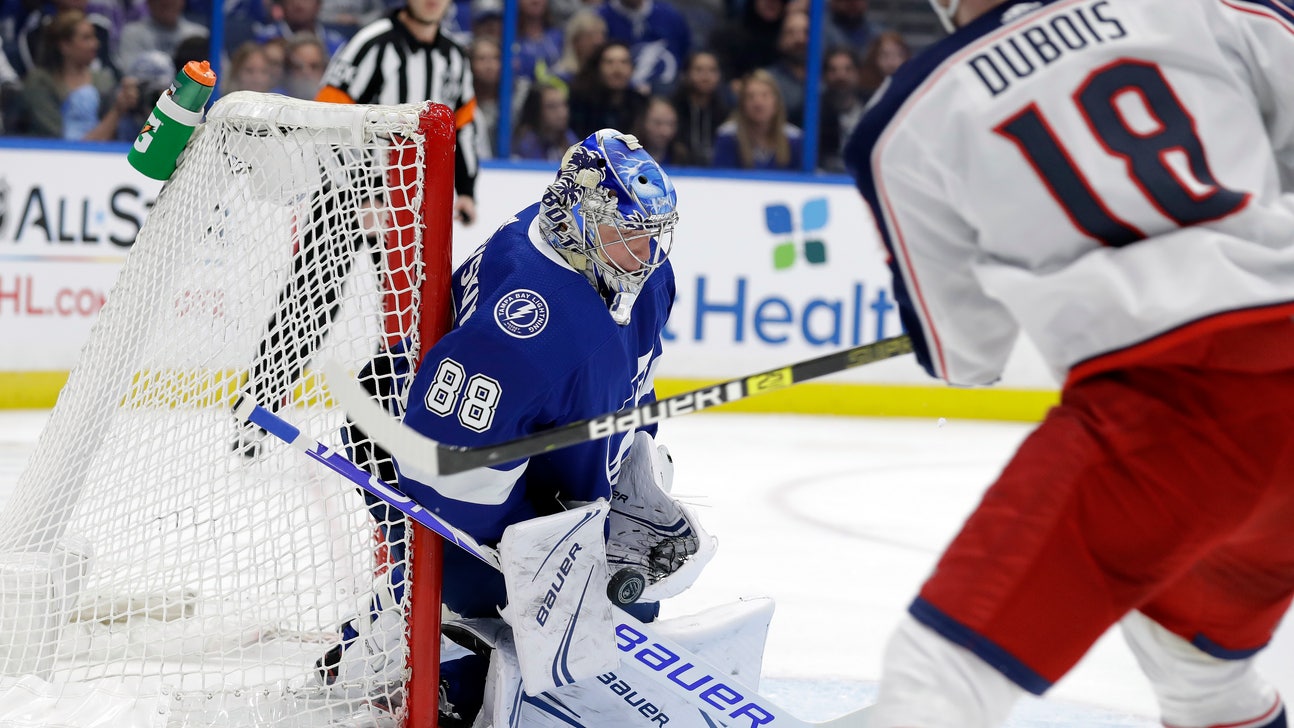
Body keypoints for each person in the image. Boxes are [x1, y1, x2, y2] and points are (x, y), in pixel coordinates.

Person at [843, 1, 1294, 727]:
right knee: (1196, 669)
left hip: (1164, 419)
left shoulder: (904, 117)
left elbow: (965, 355)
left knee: (935, 683)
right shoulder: (1193, 6)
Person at [324, 129, 712, 727]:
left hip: (516, 466)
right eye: (627, 232)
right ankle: (396, 634)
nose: (646, 252)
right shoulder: (532, 325)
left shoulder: (635, 273)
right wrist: (541, 546)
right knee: (497, 616)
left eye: (653, 235)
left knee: (622, 610)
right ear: (579, 216)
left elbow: (631, 384)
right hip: (424, 454)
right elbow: (446, 482)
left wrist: (634, 469)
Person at [317, 0, 478, 224]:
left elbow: (462, 126)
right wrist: (359, 195)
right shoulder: (371, 43)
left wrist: (466, 190)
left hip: (412, 201)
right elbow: (327, 119)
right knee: (322, 260)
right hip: (343, 196)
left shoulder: (455, 57)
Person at [21, 9, 138, 140]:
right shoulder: (39, 82)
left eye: (95, 37)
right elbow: (56, 139)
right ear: (64, 46)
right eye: (86, 38)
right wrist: (117, 111)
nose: (96, 44)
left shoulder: (104, 79)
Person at [711, 68, 802, 171]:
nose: (758, 103)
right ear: (742, 104)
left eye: (765, 96)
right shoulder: (728, 136)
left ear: (776, 103)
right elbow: (722, 180)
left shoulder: (794, 139)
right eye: (750, 97)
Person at [567, 40, 647, 139]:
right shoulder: (579, 103)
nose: (617, 69)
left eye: (624, 62)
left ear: (632, 69)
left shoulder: (640, 103)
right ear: (598, 68)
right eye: (609, 62)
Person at [669, 49, 729, 166]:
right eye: (699, 70)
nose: (706, 76)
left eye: (712, 70)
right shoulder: (672, 109)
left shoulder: (725, 111)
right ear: (686, 74)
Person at [511, 78, 576, 161]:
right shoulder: (525, 143)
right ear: (536, 111)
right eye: (552, 107)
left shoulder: (568, 137)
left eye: (564, 105)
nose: (562, 113)